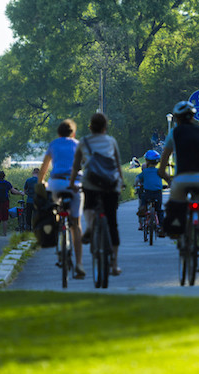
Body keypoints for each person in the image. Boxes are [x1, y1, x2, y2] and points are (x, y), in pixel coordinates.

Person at [158, 100, 199, 273]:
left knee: (174, 207)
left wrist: (164, 175)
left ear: (177, 119)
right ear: (193, 117)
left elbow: (164, 159)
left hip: (181, 179)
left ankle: (176, 230)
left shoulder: (174, 134)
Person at [69, 112, 124, 276]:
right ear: (105, 127)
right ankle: (114, 264)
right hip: (110, 184)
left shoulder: (84, 142)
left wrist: (72, 184)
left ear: (90, 127)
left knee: (89, 206)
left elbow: (76, 167)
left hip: (91, 183)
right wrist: (120, 182)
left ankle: (92, 225)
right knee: (112, 223)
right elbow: (118, 165)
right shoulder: (111, 141)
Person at [38, 119, 85, 279]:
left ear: (59, 133)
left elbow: (44, 168)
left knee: (54, 210)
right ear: (73, 133)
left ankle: (58, 224)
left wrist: (40, 183)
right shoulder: (78, 144)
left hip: (56, 183)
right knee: (76, 224)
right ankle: (79, 264)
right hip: (75, 184)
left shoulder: (53, 144)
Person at [135, 149, 164, 233]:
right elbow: (166, 177)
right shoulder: (159, 171)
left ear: (146, 161)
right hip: (158, 194)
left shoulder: (145, 171)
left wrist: (136, 186)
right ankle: (161, 227)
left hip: (147, 193)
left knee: (144, 201)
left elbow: (137, 179)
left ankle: (143, 209)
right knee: (159, 210)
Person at [0, 171, 25, 236]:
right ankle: (4, 233)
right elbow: (13, 191)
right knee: (5, 218)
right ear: (4, 176)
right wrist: (20, 193)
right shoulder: (7, 183)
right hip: (5, 202)